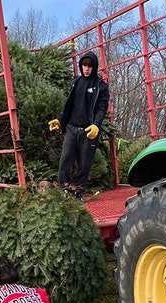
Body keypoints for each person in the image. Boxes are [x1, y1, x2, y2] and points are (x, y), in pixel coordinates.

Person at [48, 51, 110, 201]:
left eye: (89, 66)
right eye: (84, 65)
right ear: (81, 66)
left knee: (85, 163)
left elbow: (102, 108)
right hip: (71, 128)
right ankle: (62, 189)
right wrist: (60, 121)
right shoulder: (76, 82)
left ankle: (78, 192)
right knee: (66, 159)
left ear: (94, 67)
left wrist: (96, 125)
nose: (86, 68)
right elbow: (69, 105)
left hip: (88, 131)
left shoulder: (101, 86)